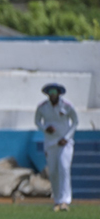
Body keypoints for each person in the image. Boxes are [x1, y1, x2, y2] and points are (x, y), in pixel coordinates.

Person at [35, 83, 79, 212]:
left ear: (59, 94)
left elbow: (75, 121)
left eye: (55, 93)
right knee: (53, 171)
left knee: (64, 168)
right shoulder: (42, 107)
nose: (53, 95)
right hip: (50, 143)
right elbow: (37, 121)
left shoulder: (67, 105)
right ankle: (57, 201)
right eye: (50, 93)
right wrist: (45, 128)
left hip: (65, 143)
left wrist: (67, 137)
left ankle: (65, 201)